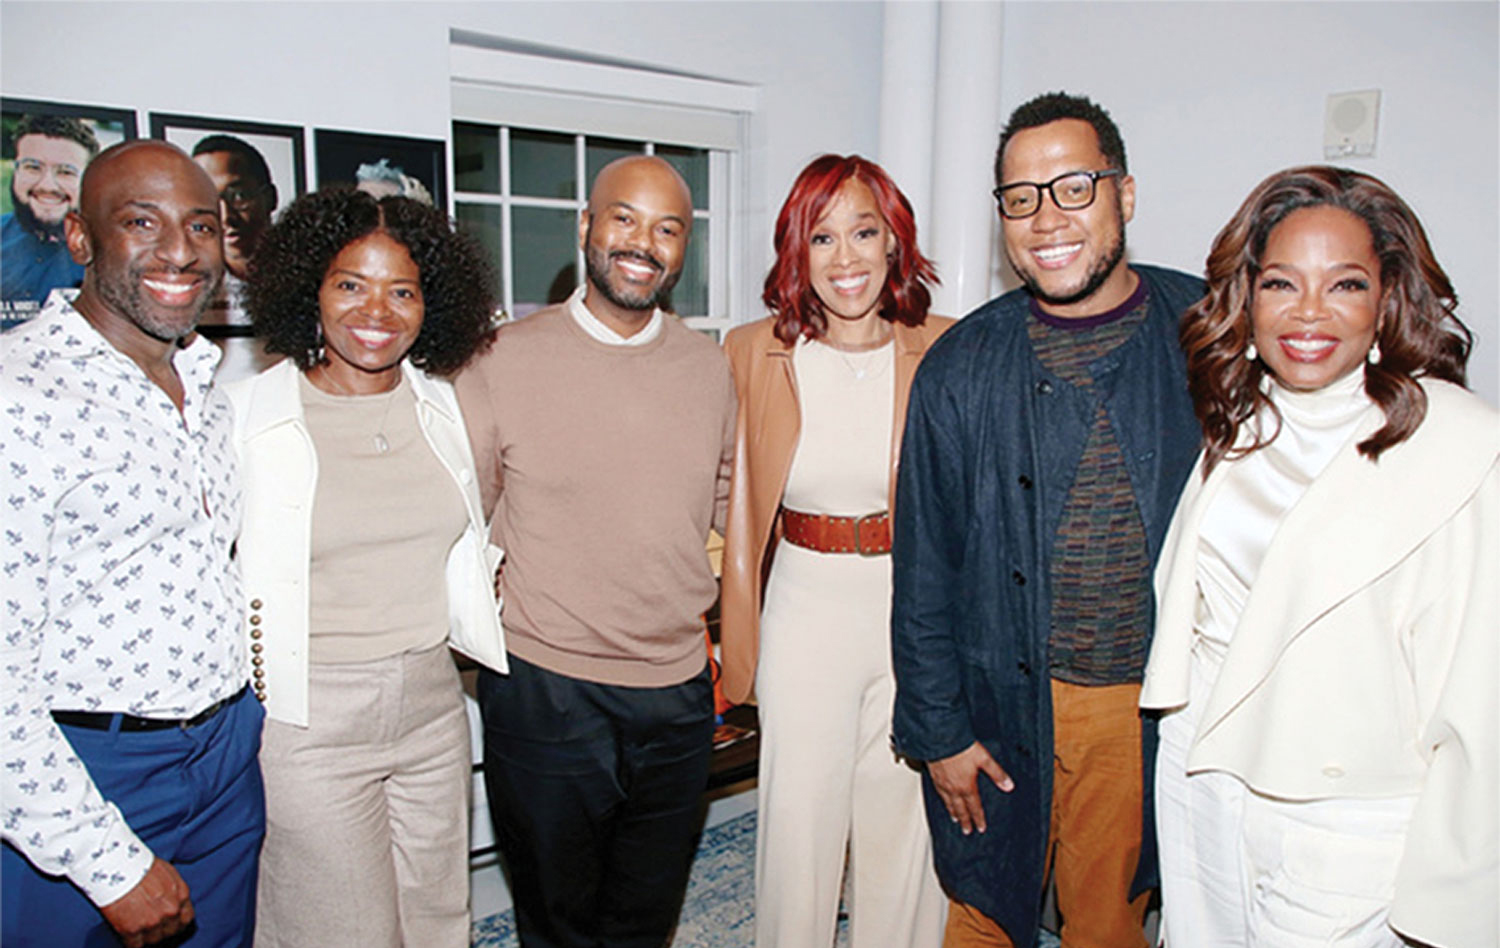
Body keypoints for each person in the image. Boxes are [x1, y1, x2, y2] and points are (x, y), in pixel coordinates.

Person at [1141, 165, 1497, 948]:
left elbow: (1479, 701)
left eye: (1344, 285)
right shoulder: (1239, 418)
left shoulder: (1462, 446)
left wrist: (1460, 894)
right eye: (1280, 284)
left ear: (1387, 300)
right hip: (1201, 779)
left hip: (1345, 820)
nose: (1308, 312)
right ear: (1249, 296)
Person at [891, 91, 1205, 948]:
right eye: (1020, 198)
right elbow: (923, 570)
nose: (1045, 218)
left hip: (1140, 708)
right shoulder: (959, 368)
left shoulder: (1204, 334)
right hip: (997, 706)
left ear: (1125, 195)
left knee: (1107, 922)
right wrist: (940, 732)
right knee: (984, 912)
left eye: (1073, 187)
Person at [456, 154, 736, 948]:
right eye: (624, 218)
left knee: (645, 918)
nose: (642, 242)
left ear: (684, 249)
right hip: (548, 688)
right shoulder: (498, 359)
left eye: (667, 228)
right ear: (586, 226)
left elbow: (725, 506)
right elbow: (465, 517)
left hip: (677, 691)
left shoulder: (708, 368)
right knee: (557, 920)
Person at [1, 139, 263, 947]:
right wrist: (105, 860)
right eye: (141, 222)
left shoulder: (209, 386)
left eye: (201, 226)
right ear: (80, 238)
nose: (180, 252)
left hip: (225, 756)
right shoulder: (19, 397)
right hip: (80, 770)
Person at [226, 187, 504, 948]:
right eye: (351, 284)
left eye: (402, 290)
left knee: (440, 920)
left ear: (431, 304)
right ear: (310, 290)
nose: (375, 310)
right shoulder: (249, 418)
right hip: (310, 718)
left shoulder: (442, 407)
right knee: (339, 929)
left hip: (431, 704)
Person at [720, 154, 949, 948]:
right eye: (823, 237)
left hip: (913, 610)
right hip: (804, 611)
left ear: (894, 244)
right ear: (797, 251)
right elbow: (722, 488)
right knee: (798, 827)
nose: (845, 258)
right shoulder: (750, 352)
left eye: (864, 232)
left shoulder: (945, 349)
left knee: (903, 828)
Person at [1, 114, 99, 327]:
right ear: (15, 171)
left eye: (65, 172)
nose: (47, 185)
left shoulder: (109, 254)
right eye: (33, 167)